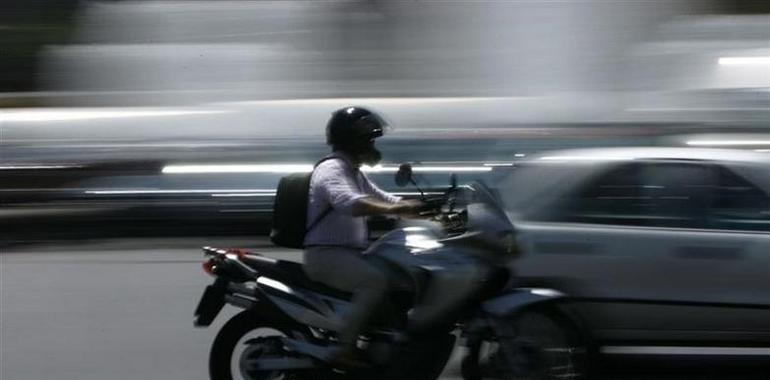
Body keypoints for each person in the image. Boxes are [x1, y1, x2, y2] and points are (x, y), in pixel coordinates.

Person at [303, 106, 422, 367]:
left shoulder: (354, 172)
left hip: (348, 254)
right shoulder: (332, 170)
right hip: (327, 256)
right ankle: (344, 349)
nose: (373, 144)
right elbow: (348, 202)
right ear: (353, 140)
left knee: (401, 275)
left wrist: (427, 210)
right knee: (374, 282)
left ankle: (386, 338)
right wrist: (395, 208)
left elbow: (385, 199)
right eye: (369, 139)